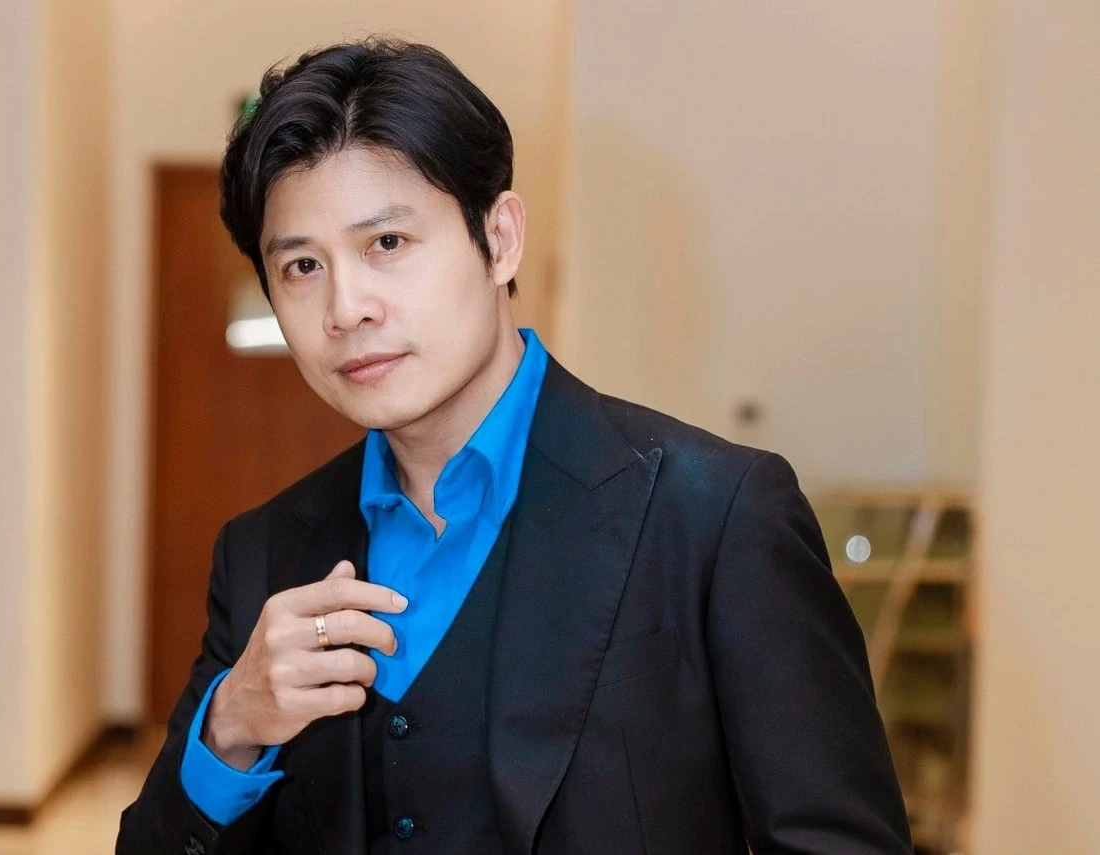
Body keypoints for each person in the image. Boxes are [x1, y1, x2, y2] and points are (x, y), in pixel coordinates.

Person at [118, 38, 912, 855]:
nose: (346, 308)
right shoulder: (263, 553)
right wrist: (230, 725)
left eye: (386, 244)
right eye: (301, 267)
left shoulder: (716, 515)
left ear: (499, 239)